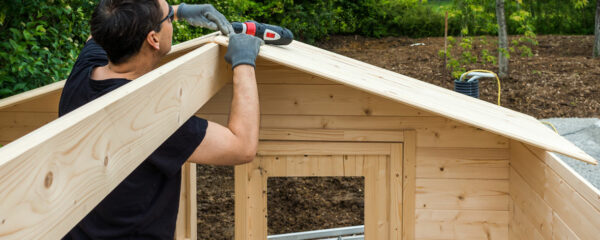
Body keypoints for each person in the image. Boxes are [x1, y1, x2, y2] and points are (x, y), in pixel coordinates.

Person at [59, 0, 262, 239]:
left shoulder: (85, 71)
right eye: (168, 19)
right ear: (153, 39)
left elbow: (99, 30)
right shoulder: (146, 116)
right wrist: (245, 62)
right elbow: (241, 147)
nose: (172, 20)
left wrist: (178, 12)